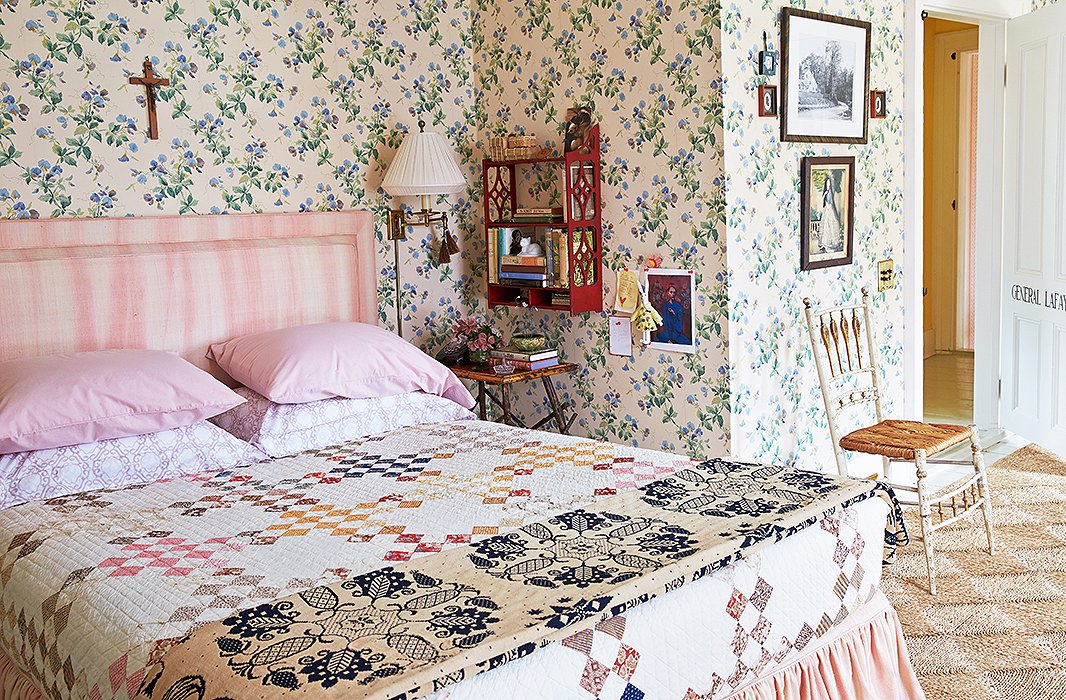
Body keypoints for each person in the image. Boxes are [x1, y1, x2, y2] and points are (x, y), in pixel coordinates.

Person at [819, 173, 843, 253]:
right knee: (826, 226)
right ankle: (825, 243)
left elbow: (832, 202)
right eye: (827, 184)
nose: (828, 186)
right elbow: (823, 202)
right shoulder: (826, 193)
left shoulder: (831, 194)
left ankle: (833, 243)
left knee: (832, 225)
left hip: (830, 209)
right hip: (827, 210)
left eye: (829, 184)